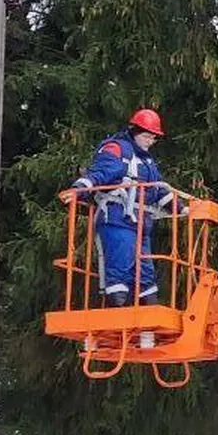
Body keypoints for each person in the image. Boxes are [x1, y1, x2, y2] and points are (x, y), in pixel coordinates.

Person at [69, 108, 176, 307]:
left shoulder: (148, 161)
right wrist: (81, 187)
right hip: (118, 218)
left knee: (145, 270)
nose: (150, 141)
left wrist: (180, 208)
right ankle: (118, 307)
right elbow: (103, 171)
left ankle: (148, 310)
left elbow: (159, 189)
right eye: (146, 136)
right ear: (134, 132)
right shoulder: (118, 149)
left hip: (141, 223)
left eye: (153, 138)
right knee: (120, 263)